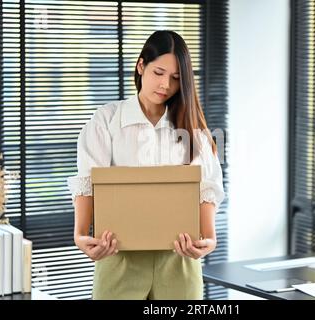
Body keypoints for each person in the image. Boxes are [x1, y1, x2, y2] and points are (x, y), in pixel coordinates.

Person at [67, 30, 225, 300]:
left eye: (176, 78)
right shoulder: (106, 122)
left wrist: (207, 243)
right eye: (158, 73)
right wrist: (81, 237)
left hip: (180, 264)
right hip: (119, 262)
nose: (166, 85)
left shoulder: (194, 131)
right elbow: (88, 184)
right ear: (141, 66)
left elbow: (207, 196)